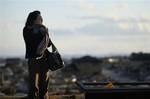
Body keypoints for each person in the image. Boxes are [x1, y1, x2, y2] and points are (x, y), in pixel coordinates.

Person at [23, 10, 52, 99]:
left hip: (44, 59)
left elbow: (49, 44)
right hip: (33, 59)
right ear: (34, 19)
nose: (41, 19)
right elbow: (32, 42)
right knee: (33, 85)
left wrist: (46, 33)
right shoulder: (27, 29)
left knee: (44, 85)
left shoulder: (43, 29)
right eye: (39, 17)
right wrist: (41, 33)